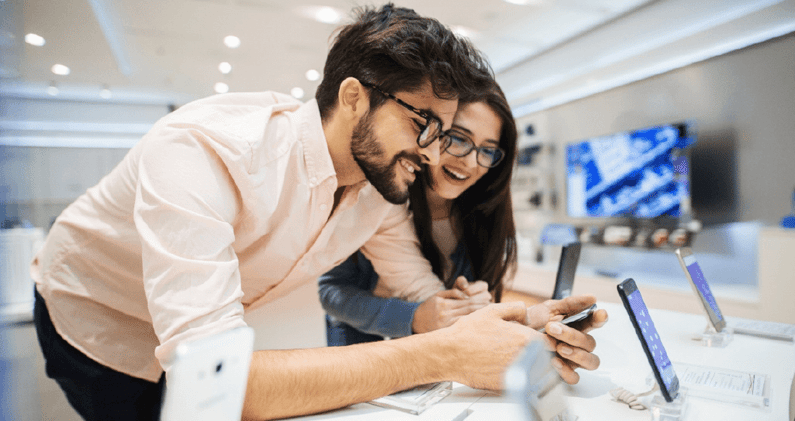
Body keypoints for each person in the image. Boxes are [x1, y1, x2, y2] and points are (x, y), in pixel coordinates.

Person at [30, 4, 605, 421]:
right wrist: (443, 352)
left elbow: (420, 297)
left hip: (189, 334)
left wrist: (516, 324)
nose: (433, 154)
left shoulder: (381, 186)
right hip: (94, 316)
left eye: (444, 132)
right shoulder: (203, 150)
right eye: (422, 124)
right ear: (354, 97)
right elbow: (222, 381)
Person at [319, 82, 520, 345]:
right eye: (458, 138)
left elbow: (441, 300)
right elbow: (332, 289)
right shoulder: (378, 197)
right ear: (429, 134)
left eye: (487, 150)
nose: (470, 162)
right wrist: (411, 316)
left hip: (438, 356)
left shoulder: (481, 212)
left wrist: (469, 300)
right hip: (365, 351)